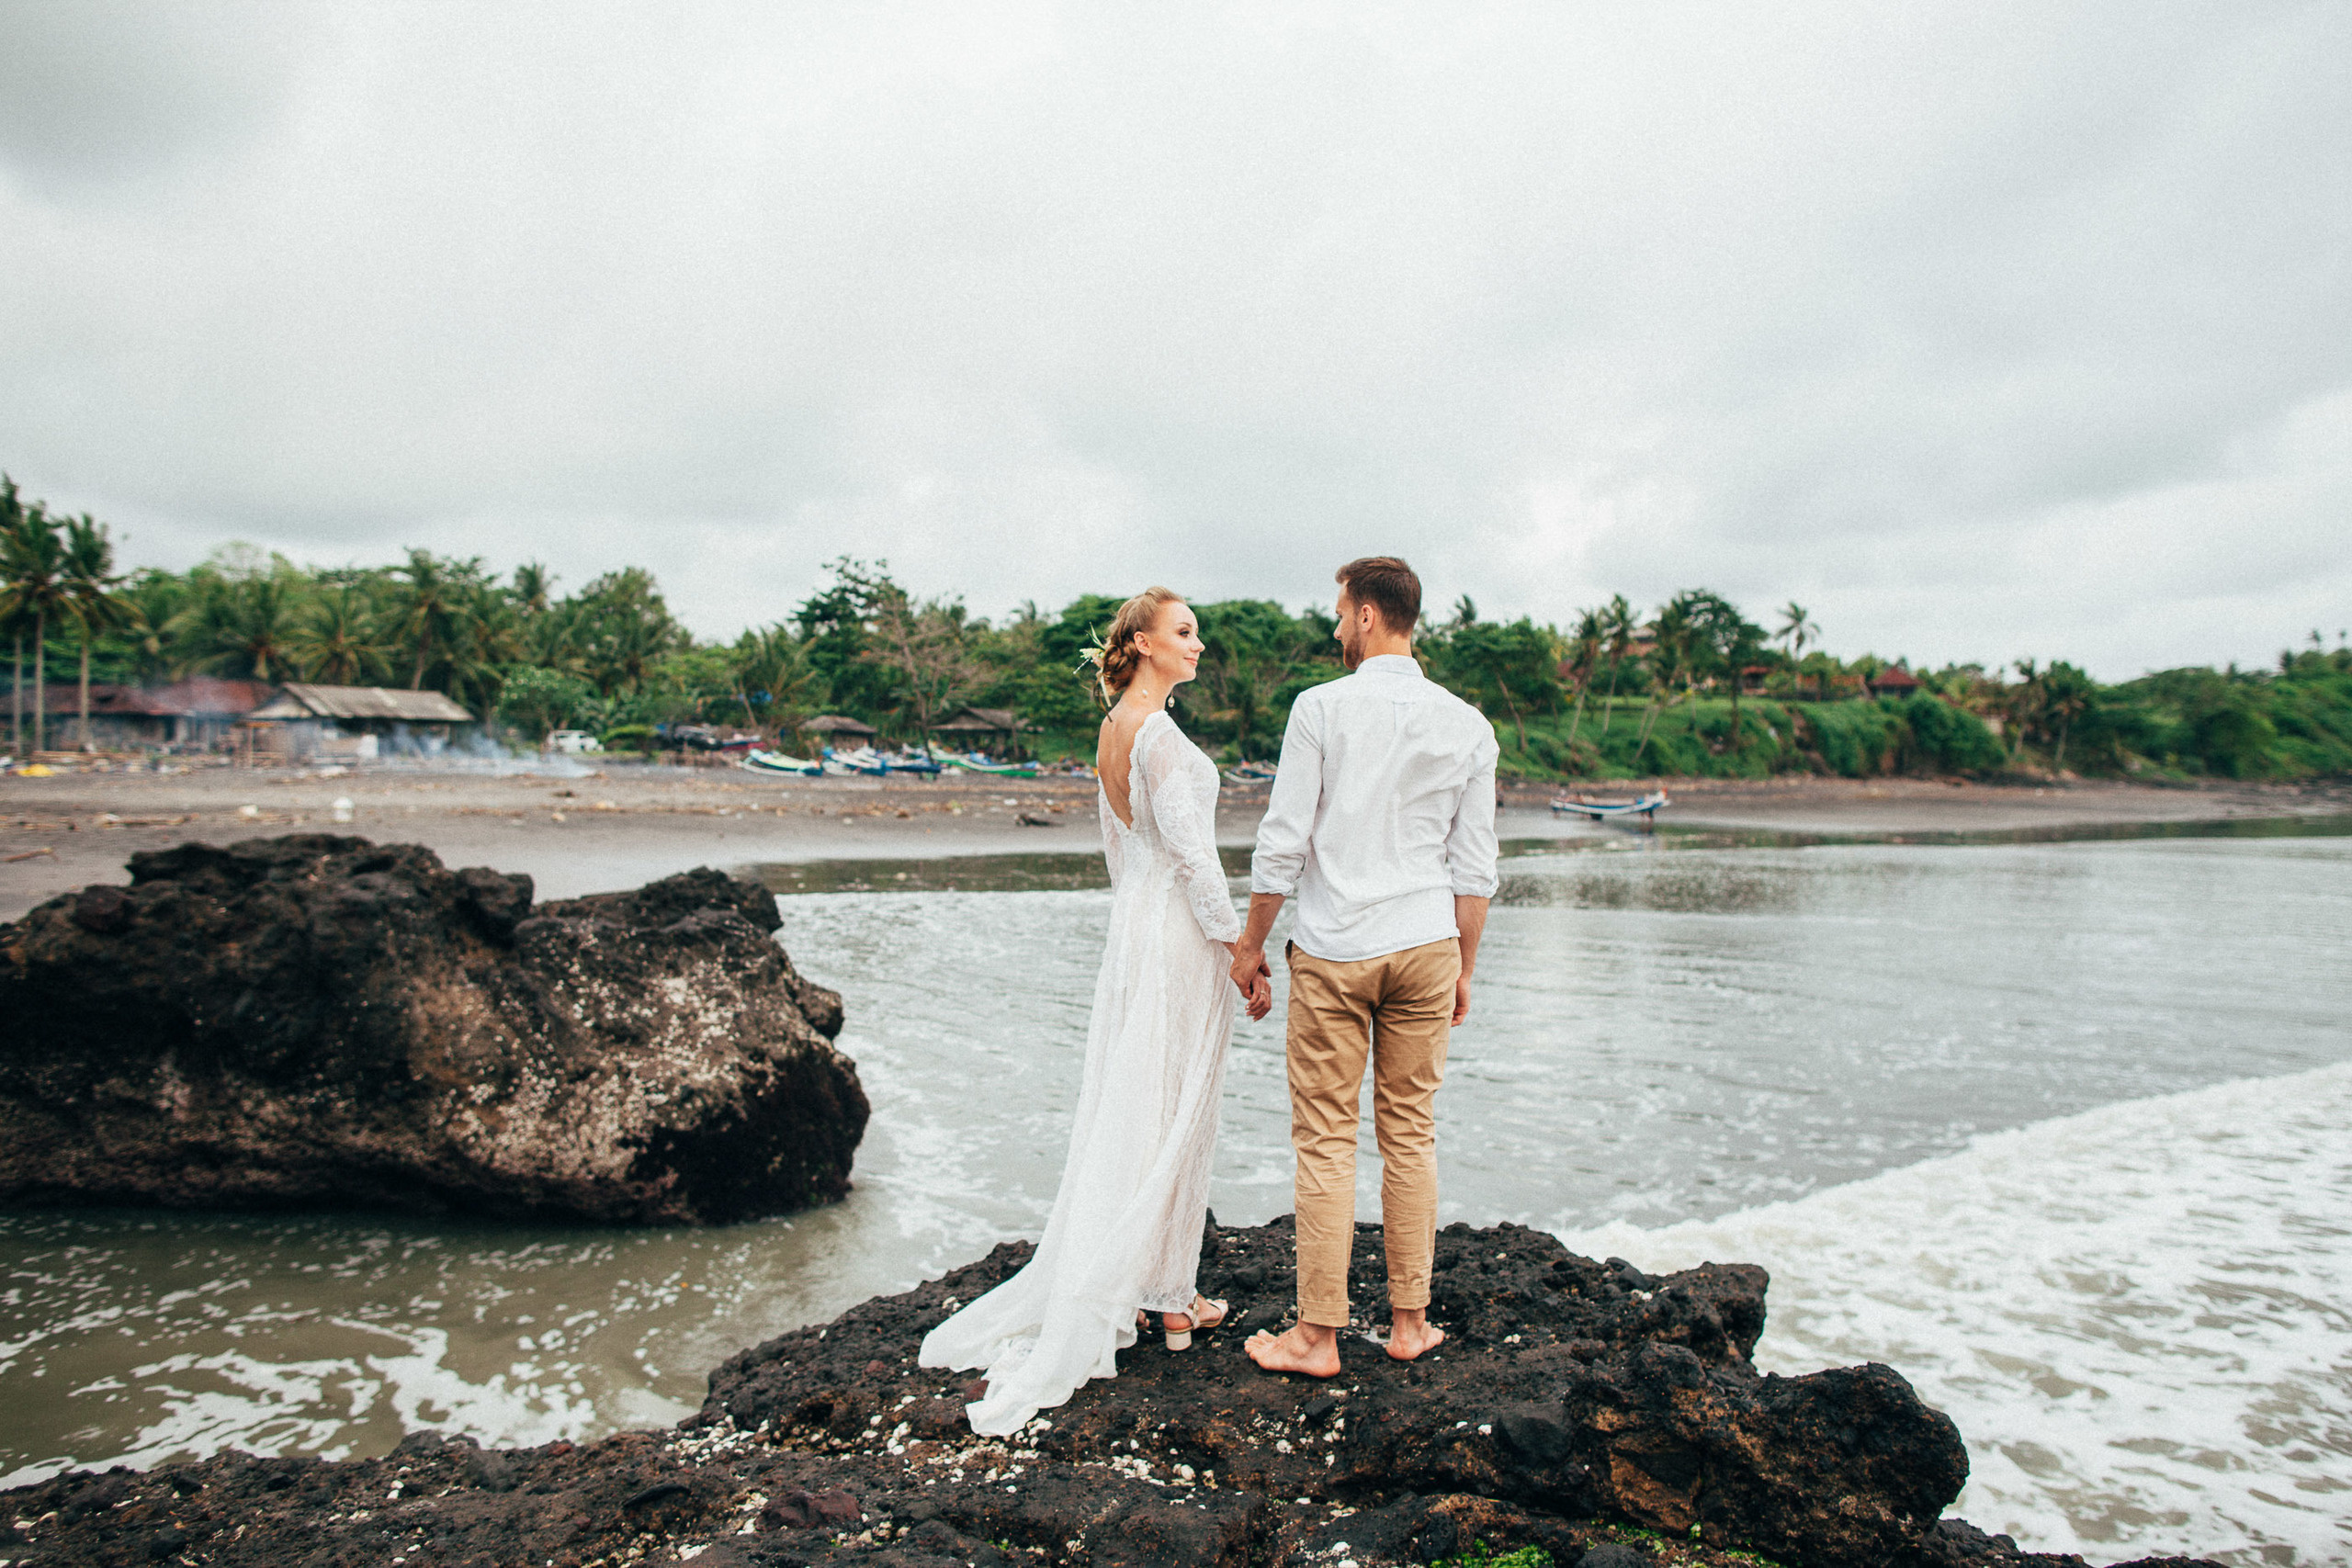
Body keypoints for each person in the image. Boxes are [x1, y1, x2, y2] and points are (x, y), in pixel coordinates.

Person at [920, 586, 1270, 1435]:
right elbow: (1193, 858)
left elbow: (1124, 852)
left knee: (1142, 1100)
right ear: (1144, 643)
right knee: (1181, 1104)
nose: (1198, 645)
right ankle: (1171, 1297)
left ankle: (1163, 1287)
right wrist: (1240, 950)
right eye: (1185, 633)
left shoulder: (1114, 728)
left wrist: (1140, 932)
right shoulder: (1153, 732)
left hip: (1135, 928)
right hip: (1179, 930)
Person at [1229, 556, 1499, 1378]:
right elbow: (1475, 865)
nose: (1335, 628)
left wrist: (1250, 946)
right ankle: (1410, 1323)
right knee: (1411, 1133)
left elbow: (1284, 842)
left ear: (1372, 616)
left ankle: (1317, 1336)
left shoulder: (1320, 709)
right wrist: (1464, 966)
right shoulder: (1468, 724)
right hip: (1427, 945)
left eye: (1342, 614)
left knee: (1325, 1140)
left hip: (1338, 949)